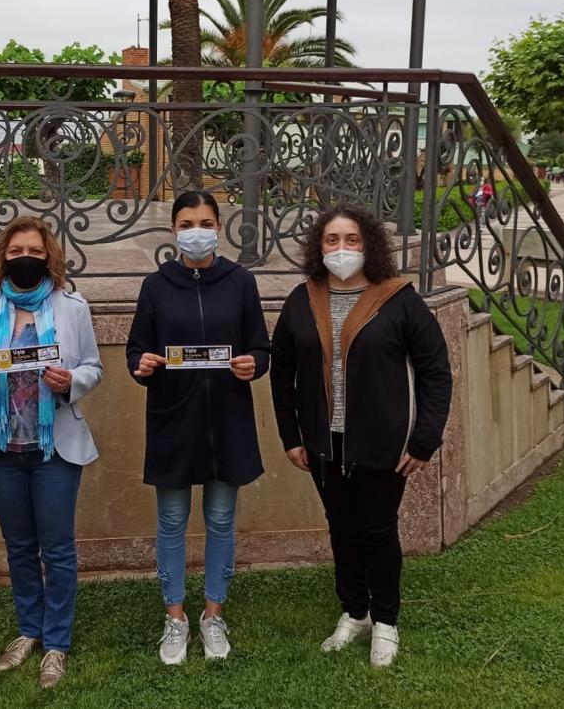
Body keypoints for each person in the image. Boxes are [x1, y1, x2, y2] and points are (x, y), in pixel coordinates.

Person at [269, 202, 452, 668]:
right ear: (319, 246)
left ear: (369, 245)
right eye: (332, 240)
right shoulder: (301, 299)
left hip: (382, 443)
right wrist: (292, 435)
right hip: (323, 442)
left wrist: (424, 439)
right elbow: (281, 372)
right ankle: (354, 612)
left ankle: (386, 621)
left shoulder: (399, 299)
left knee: (377, 529)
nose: (342, 249)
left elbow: (436, 372)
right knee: (342, 528)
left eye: (352, 240)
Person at [0, 216, 103, 689]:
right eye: (16, 251)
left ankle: (56, 643)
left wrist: (71, 382)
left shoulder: (72, 306)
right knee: (19, 548)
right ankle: (28, 630)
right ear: (2, 257)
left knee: (57, 549)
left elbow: (94, 367)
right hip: (2, 448)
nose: (25, 259)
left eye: (34, 251)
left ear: (49, 256)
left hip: (56, 445)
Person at [125, 190, 271, 665]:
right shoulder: (156, 286)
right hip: (174, 420)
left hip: (227, 421)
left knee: (222, 520)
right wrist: (141, 365)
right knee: (171, 522)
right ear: (174, 230)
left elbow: (261, 348)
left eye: (205, 222)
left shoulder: (241, 281)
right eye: (187, 223)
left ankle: (212, 614)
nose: (196, 231)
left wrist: (255, 364)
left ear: (219, 228)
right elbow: (136, 350)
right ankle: (175, 619)